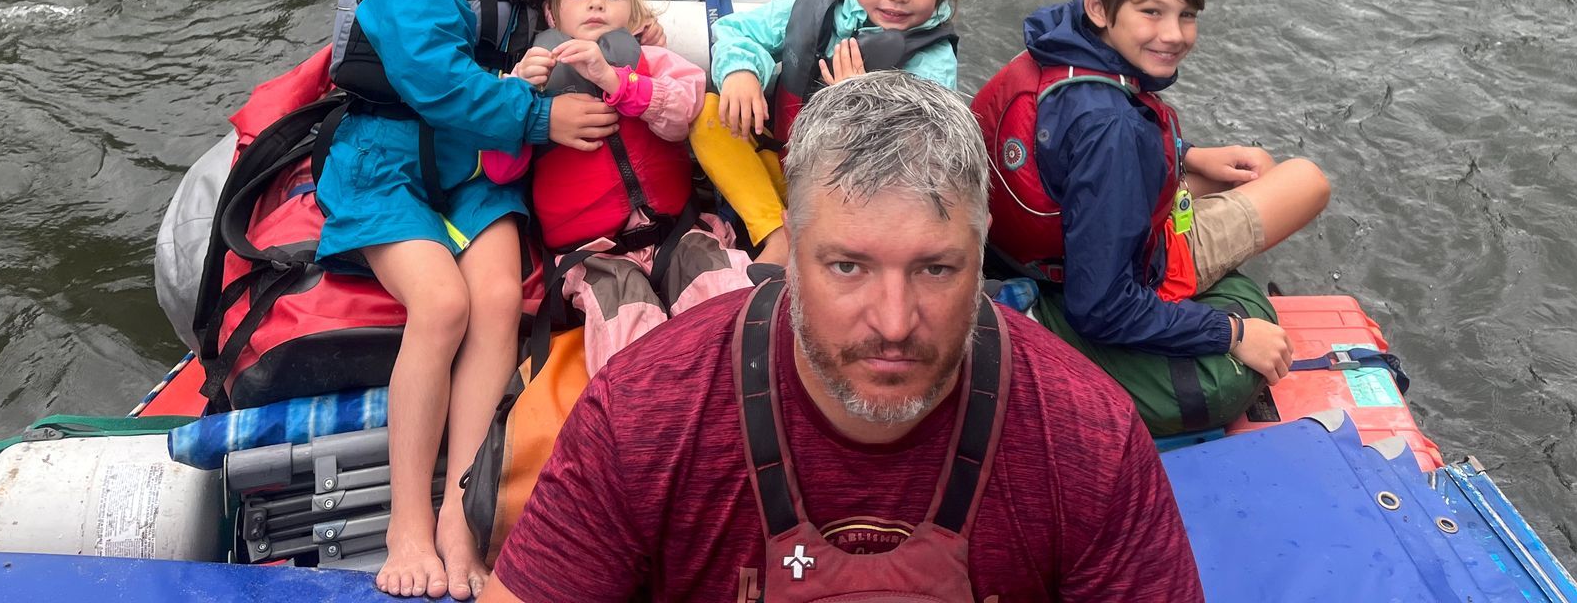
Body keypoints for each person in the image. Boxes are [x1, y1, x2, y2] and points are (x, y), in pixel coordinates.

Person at [483, 71, 1202, 603]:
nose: (893, 321)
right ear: (787, 252)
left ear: (982, 257)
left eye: (936, 268)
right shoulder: (643, 416)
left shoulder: (1087, 438)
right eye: (848, 266)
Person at [315, 0, 617, 600]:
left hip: (471, 167)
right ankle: (407, 523)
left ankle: (460, 511)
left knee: (496, 299)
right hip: (382, 160)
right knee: (443, 305)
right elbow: (432, 76)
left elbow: (584, 28)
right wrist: (541, 120)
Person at [974, 0, 1331, 437]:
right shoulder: (1111, 128)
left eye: (1186, 15)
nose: (1174, 34)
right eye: (1152, 12)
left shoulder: (1053, 45)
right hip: (1094, 272)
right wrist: (1232, 332)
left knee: (1253, 165)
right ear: (1100, 9)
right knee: (1305, 181)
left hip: (1029, 250)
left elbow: (1065, 151)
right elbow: (1101, 307)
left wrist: (1187, 158)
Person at [696, 0, 961, 268]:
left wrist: (858, 101)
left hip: (852, 188)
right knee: (708, 113)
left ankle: (813, 238)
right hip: (785, 160)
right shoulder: (817, 6)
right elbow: (736, 31)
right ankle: (776, 234)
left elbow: (921, 152)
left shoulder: (932, 60)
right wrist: (741, 71)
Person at [523, 0, 752, 377]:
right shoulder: (529, 83)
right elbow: (500, 171)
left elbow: (684, 113)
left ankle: (737, 389)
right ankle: (645, 412)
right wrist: (517, 102)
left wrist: (617, 80)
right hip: (594, 257)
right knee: (628, 324)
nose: (596, 3)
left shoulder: (656, 64)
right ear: (552, 15)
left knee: (724, 293)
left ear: (634, 17)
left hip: (678, 234)